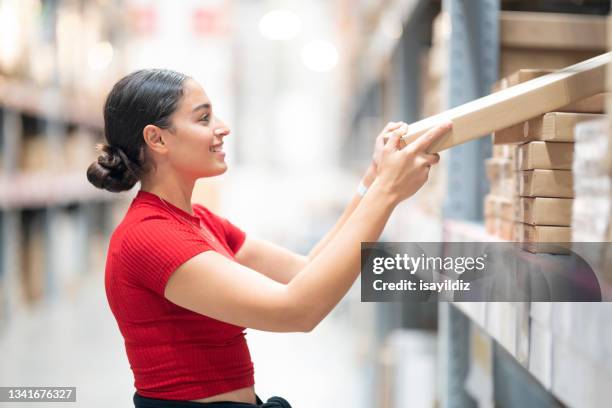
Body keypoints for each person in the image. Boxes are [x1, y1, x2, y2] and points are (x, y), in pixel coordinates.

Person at [86, 68, 451, 408]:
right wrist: (387, 193)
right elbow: (297, 310)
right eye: (203, 118)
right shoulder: (149, 236)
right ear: (157, 138)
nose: (223, 127)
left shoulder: (200, 222)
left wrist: (371, 183)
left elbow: (305, 270)